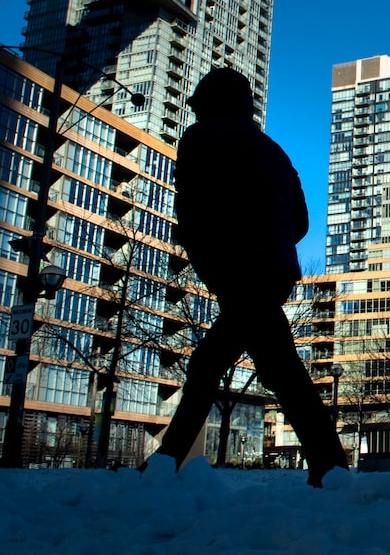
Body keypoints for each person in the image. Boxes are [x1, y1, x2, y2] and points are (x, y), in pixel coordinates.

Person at [147, 68, 346, 487]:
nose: (195, 112)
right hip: (274, 271)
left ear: (210, 104)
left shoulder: (199, 138)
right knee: (265, 368)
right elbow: (301, 220)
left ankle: (165, 464)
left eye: (199, 105)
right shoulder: (275, 151)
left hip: (237, 269)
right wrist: (272, 242)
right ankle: (330, 467)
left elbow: (192, 209)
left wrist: (216, 255)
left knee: (232, 366)